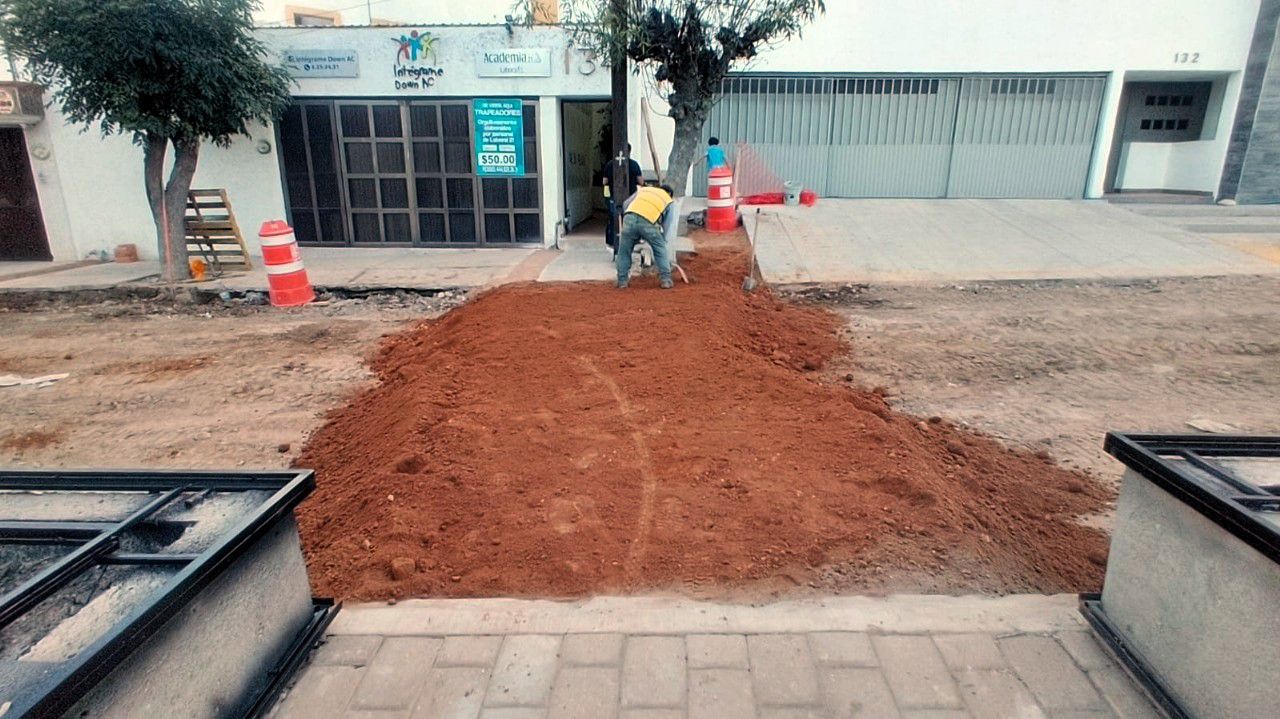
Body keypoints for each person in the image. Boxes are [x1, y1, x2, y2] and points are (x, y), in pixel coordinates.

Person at [616, 184, 676, 289]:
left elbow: (626, 203)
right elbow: (667, 223)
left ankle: (622, 281)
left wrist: (630, 217)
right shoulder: (668, 200)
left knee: (624, 251)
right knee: (659, 249)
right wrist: (662, 238)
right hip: (649, 221)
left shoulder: (644, 190)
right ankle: (666, 280)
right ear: (669, 194)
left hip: (629, 218)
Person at [600, 145, 644, 250]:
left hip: (613, 197)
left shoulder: (610, 164)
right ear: (629, 152)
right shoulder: (633, 164)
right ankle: (632, 241)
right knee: (631, 219)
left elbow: (604, 182)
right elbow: (641, 181)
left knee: (613, 218)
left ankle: (611, 242)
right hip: (631, 198)